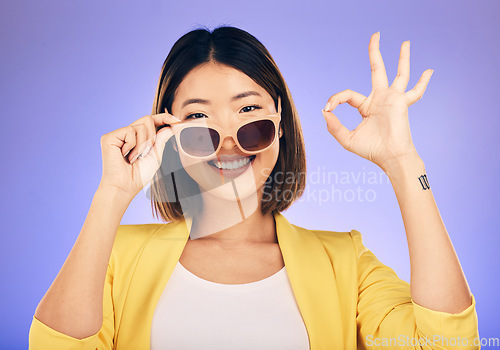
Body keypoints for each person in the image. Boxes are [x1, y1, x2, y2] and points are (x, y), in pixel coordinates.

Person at [28, 26, 479, 349]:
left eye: (248, 112)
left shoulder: (344, 261)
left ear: (279, 122)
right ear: (168, 134)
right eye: (199, 120)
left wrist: (404, 164)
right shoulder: (115, 258)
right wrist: (111, 195)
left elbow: (445, 345)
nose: (227, 144)